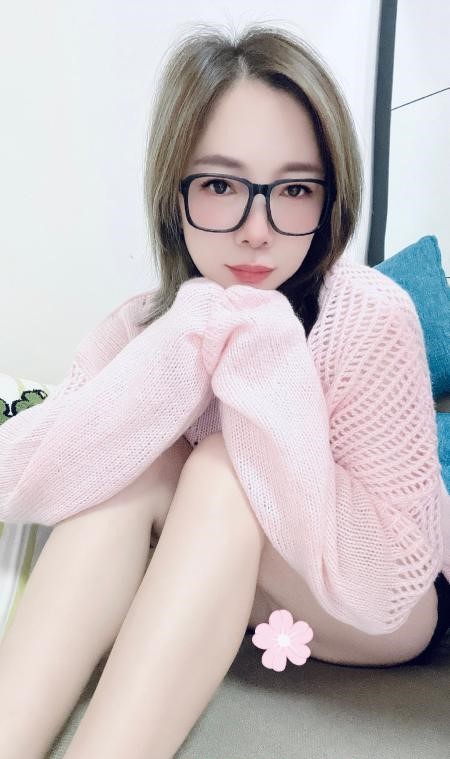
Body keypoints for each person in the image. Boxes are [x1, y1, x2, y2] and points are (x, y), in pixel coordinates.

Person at [0, 20, 449, 759]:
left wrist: (262, 354)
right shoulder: (147, 325)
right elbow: (29, 477)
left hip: (382, 605)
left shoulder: (371, 317)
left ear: (331, 198)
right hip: (249, 582)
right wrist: (186, 341)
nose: (256, 230)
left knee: (222, 466)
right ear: (173, 193)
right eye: (219, 185)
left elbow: (389, 580)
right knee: (134, 464)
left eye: (294, 189)